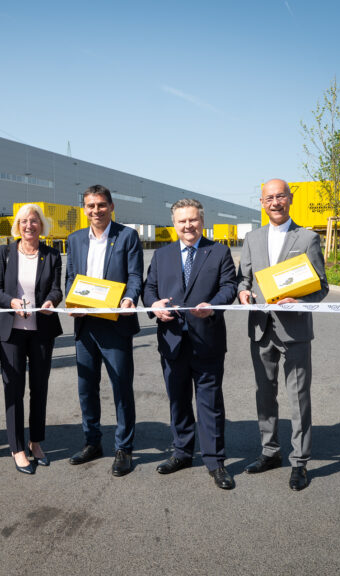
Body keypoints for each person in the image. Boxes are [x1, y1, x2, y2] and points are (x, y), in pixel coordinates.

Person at [237, 178, 329, 491]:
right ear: (261, 203)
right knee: (264, 394)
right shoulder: (252, 238)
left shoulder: (307, 238)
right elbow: (243, 279)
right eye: (268, 198)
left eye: (280, 197)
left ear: (289, 199)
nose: (275, 203)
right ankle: (269, 452)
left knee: (298, 397)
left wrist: (301, 301)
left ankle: (300, 462)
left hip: (295, 331)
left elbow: (322, 286)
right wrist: (243, 293)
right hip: (261, 328)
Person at [142, 199, 238, 489]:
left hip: (207, 339)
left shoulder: (219, 251)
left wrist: (214, 305)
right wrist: (154, 305)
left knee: (209, 403)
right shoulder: (161, 255)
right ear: (174, 224)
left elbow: (229, 287)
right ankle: (182, 453)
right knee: (178, 400)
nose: (188, 226)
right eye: (182, 221)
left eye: (193, 220)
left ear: (202, 221)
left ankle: (215, 461)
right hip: (172, 340)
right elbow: (149, 288)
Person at [64, 184, 143, 477]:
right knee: (87, 388)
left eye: (100, 205)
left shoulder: (127, 236)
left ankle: (124, 447)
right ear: (84, 209)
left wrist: (130, 297)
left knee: (121, 387)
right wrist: (71, 300)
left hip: (115, 322)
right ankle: (92, 441)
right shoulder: (74, 239)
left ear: (111, 206)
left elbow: (135, 275)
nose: (95, 210)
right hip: (85, 325)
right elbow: (71, 276)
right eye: (90, 206)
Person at [0, 204, 63, 475]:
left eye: (34, 221)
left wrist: (50, 301)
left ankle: (36, 442)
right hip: (11, 331)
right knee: (14, 389)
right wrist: (11, 301)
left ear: (41, 226)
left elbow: (57, 288)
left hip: (42, 330)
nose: (29, 225)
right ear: (17, 226)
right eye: (24, 221)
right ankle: (17, 447)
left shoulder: (52, 254)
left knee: (39, 388)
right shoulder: (4, 253)